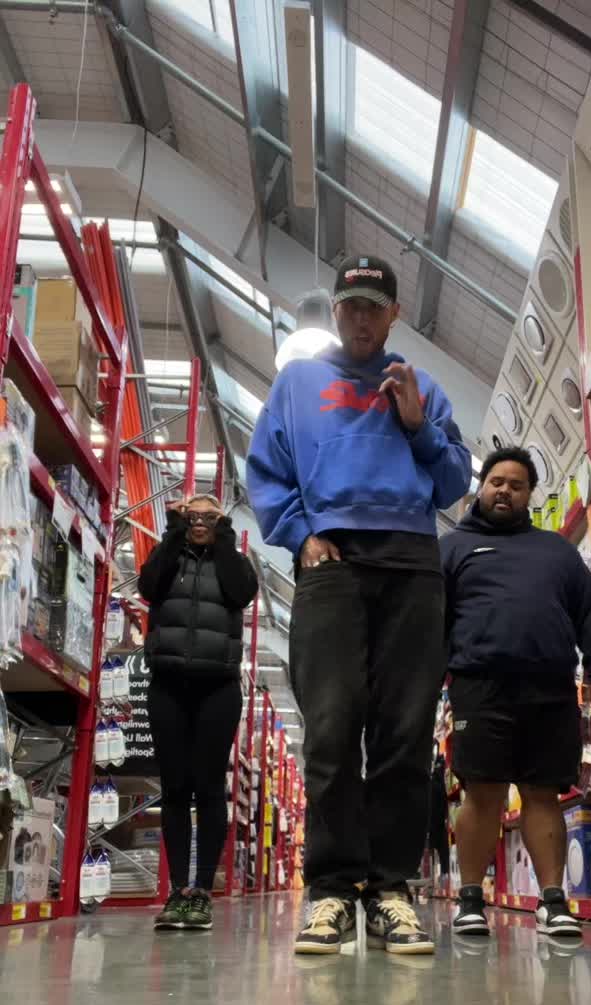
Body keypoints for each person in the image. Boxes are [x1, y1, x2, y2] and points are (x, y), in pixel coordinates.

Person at [247, 255, 471, 956]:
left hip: (412, 561)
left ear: (395, 314)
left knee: (405, 731)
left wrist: (418, 425)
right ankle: (333, 890)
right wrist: (301, 536)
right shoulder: (297, 383)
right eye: (351, 306)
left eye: (376, 306)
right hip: (332, 561)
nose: (362, 318)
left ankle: (391, 890)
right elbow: (266, 471)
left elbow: (453, 483)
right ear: (336, 311)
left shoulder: (423, 386)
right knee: (331, 726)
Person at [440, 446, 591, 940]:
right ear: (481, 488)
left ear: (529, 495)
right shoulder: (452, 548)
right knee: (482, 791)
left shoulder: (556, 551)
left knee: (543, 792)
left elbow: (589, 614)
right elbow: (432, 622)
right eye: (496, 482)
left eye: (516, 485)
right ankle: (470, 899)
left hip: (550, 687)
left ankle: (553, 902)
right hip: (479, 686)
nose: (505, 491)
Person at [138, 494, 258, 930]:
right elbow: (149, 586)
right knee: (174, 788)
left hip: (218, 688)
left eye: (210, 516)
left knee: (208, 788)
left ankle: (202, 892)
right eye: (193, 515)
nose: (201, 521)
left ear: (222, 522)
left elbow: (242, 592)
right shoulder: (168, 556)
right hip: (168, 685)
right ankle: (176, 892)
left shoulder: (234, 562)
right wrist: (173, 532)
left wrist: (224, 538)